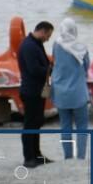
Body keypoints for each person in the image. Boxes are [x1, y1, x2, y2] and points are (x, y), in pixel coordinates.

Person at [51, 18, 90, 160]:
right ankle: (81, 156)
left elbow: (54, 61)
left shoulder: (56, 44)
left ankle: (68, 156)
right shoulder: (81, 46)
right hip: (78, 93)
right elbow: (86, 66)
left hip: (60, 92)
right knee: (82, 126)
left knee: (65, 125)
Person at [17, 21, 54, 168]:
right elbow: (34, 69)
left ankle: (37, 154)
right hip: (31, 91)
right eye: (48, 35)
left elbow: (42, 64)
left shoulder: (36, 44)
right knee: (30, 124)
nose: (48, 39)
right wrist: (50, 70)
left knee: (37, 122)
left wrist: (49, 67)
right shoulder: (28, 46)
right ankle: (28, 157)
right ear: (42, 31)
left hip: (38, 90)